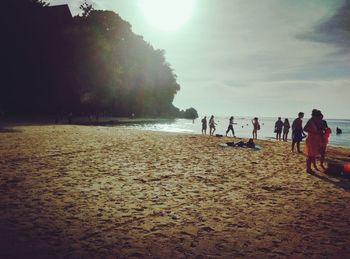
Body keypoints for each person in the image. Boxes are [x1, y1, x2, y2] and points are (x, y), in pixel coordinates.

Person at [304, 109, 323, 174]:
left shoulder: (317, 121)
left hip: (315, 139)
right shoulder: (310, 121)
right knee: (310, 155)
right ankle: (308, 169)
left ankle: (310, 168)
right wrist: (313, 132)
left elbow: (319, 130)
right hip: (311, 139)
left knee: (313, 155)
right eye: (317, 116)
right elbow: (305, 128)